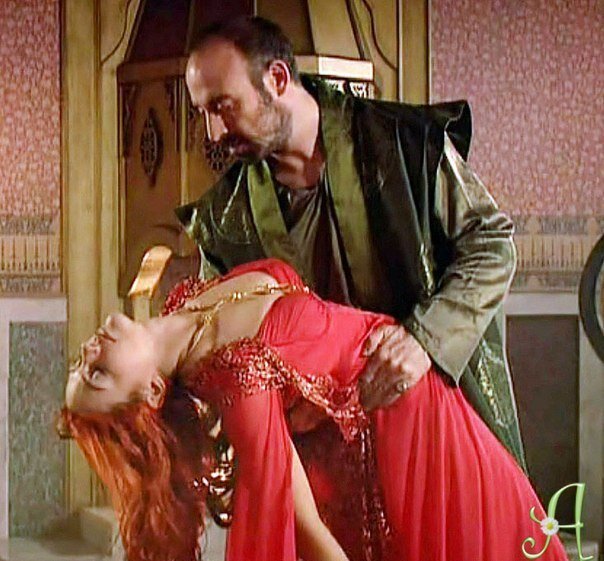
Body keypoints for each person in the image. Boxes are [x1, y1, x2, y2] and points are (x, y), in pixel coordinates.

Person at [178, 16, 526, 472]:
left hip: (433, 426)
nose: (214, 133)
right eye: (203, 112)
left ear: (277, 79)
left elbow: (492, 243)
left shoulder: (404, 145)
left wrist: (424, 340)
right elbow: (219, 346)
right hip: (325, 461)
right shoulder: (225, 217)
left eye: (223, 107)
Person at [61, 258, 568, 561]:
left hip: (432, 404)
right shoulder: (234, 380)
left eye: (79, 365)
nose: (88, 353)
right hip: (414, 438)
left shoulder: (187, 300)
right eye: (98, 375)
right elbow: (304, 524)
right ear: (152, 392)